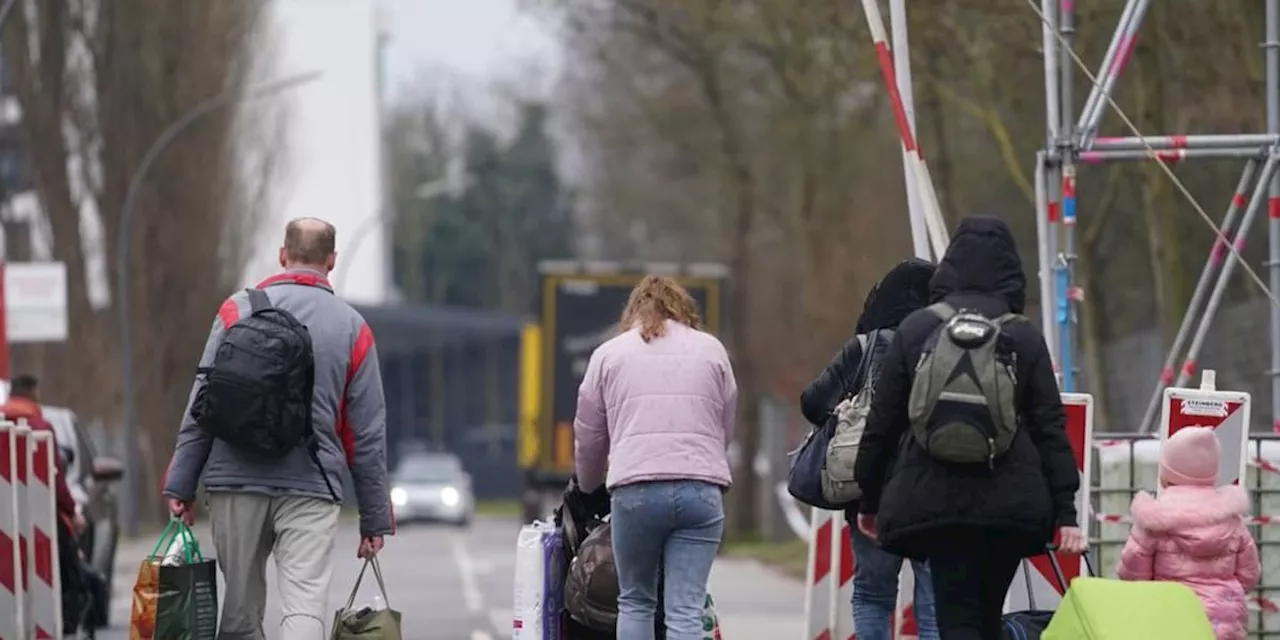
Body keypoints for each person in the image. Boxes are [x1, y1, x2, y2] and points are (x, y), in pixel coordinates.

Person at [853, 216, 1084, 640]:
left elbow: (881, 424)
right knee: (987, 615)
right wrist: (1066, 511)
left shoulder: (917, 329)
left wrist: (869, 500)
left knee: (956, 618)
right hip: (1011, 504)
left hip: (935, 501)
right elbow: (1051, 426)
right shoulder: (1024, 336)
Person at [162, 218, 393, 640]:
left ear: (283, 255)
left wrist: (181, 484)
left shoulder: (236, 310)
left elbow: (202, 400)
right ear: (332, 260)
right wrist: (373, 518)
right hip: (312, 485)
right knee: (305, 605)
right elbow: (366, 433)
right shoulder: (353, 327)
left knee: (239, 612)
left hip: (235, 481)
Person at [574, 275, 736, 640]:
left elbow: (589, 436)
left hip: (636, 493)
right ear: (683, 309)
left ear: (633, 311)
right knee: (685, 609)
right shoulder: (713, 350)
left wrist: (587, 486)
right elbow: (724, 427)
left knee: (635, 601)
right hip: (700, 492)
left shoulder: (608, 355)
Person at [799, 258, 939, 640]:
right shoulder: (946, 346)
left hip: (869, 490)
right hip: (932, 488)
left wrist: (843, 413)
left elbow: (813, 402)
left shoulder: (865, 347)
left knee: (874, 595)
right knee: (933, 601)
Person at [1116, 427, 1259, 640]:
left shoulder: (1154, 520)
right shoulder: (1232, 519)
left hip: (1169, 617)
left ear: (1166, 473)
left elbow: (1133, 575)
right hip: (1224, 620)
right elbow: (1249, 575)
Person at [1, 374, 84, 535]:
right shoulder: (40, 427)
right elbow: (56, 479)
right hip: (37, 516)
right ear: (34, 394)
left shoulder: (3, 424)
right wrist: (72, 512)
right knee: (69, 556)